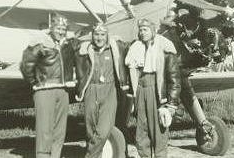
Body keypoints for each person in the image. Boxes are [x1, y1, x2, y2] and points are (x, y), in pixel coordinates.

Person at [20, 13, 78, 158]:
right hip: (44, 90)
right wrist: (35, 82)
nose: (61, 31)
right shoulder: (40, 43)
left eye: (63, 29)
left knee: (60, 130)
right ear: (51, 28)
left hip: (63, 90)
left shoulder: (68, 44)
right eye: (58, 28)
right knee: (44, 129)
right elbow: (26, 65)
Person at [125, 19, 181, 158]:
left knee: (159, 130)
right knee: (141, 131)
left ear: (153, 30)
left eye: (146, 29)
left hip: (156, 90)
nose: (142, 32)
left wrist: (171, 104)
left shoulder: (165, 47)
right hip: (140, 89)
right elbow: (131, 74)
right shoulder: (135, 48)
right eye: (141, 29)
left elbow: (174, 77)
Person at [75, 23, 129, 158]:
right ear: (92, 36)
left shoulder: (116, 48)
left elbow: (136, 47)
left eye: (102, 35)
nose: (99, 38)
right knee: (90, 129)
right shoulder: (85, 50)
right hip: (91, 89)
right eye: (96, 35)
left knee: (104, 129)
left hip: (110, 90)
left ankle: (90, 156)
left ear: (107, 36)